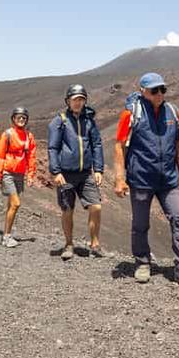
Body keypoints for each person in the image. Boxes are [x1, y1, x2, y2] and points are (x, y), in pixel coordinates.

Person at [114, 73, 179, 286]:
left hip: (168, 179)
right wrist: (120, 178)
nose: (159, 94)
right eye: (154, 90)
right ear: (143, 92)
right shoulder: (130, 114)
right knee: (140, 224)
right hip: (141, 178)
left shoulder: (173, 112)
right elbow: (119, 147)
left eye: (162, 90)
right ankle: (142, 262)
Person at [47, 84, 105, 260]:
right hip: (66, 173)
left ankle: (94, 244)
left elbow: (96, 144)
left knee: (96, 206)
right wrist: (56, 172)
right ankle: (69, 244)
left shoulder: (89, 121)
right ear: (68, 101)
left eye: (81, 99)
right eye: (75, 99)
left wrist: (99, 169)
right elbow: (53, 148)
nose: (78, 102)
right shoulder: (60, 121)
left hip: (86, 173)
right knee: (67, 210)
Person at [0, 107, 37, 248]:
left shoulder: (28, 136)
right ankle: (6, 237)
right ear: (13, 119)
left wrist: (30, 175)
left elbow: (31, 156)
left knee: (11, 206)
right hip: (8, 172)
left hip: (20, 174)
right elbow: (0, 155)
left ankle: (6, 234)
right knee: (16, 203)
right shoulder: (7, 134)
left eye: (24, 117)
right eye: (18, 117)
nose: (21, 119)